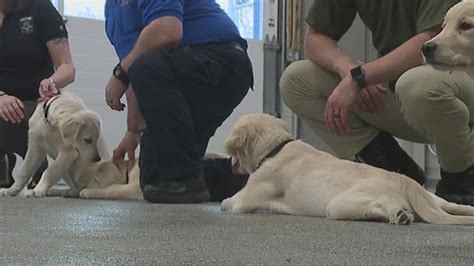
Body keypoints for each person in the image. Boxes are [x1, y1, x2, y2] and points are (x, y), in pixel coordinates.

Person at [279, 0, 474, 206]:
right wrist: (347, 68)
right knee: (296, 79)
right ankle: (393, 173)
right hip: (400, 94)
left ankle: (461, 181)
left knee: (416, 84)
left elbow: (428, 40)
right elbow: (316, 38)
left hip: (452, 85)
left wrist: (362, 76)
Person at [104, 0, 253, 203]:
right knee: (154, 179)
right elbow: (135, 66)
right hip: (184, 73)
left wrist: (119, 74)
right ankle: (250, 178)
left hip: (220, 61)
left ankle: (186, 179)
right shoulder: (113, 11)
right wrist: (133, 132)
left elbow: (167, 30)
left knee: (178, 176)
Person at [0, 0, 75, 188]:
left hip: (35, 101)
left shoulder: (40, 8)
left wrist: (51, 82)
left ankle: (35, 163)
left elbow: (67, 67)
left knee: (27, 115)